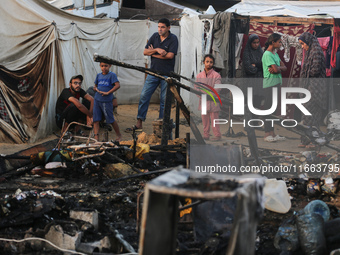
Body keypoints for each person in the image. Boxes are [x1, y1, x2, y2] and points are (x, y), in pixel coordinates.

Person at [126, 18, 178, 132]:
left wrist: (152, 53)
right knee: (144, 96)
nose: (160, 29)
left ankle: (161, 125)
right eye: (159, 27)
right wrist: (157, 49)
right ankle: (139, 123)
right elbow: (145, 52)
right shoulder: (154, 36)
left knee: (164, 100)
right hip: (153, 72)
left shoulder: (173, 39)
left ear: (169, 28)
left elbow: (170, 56)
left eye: (163, 27)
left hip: (166, 74)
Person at [298, 32, 327, 148]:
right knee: (306, 114)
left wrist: (304, 75)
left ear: (308, 41)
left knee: (312, 114)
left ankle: (314, 141)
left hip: (315, 88)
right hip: (309, 86)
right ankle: (306, 140)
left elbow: (315, 70)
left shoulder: (317, 52)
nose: (302, 47)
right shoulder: (311, 52)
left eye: (303, 44)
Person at [261, 33, 287, 142]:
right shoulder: (267, 55)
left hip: (276, 83)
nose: (281, 44)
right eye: (279, 42)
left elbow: (284, 67)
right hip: (269, 84)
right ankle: (267, 134)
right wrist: (277, 69)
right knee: (268, 109)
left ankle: (272, 133)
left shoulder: (275, 54)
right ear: (273, 42)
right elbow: (275, 70)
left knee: (273, 109)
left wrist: (278, 68)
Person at [93, 62, 122, 141]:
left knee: (110, 119)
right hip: (97, 100)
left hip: (106, 101)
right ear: (100, 66)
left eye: (106, 66)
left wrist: (108, 92)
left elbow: (117, 85)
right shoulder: (99, 75)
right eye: (102, 66)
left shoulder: (112, 75)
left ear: (110, 65)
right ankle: (96, 138)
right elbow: (95, 86)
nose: (104, 68)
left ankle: (119, 135)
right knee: (96, 120)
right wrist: (95, 89)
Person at [196, 54, 222, 141]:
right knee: (205, 119)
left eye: (211, 62)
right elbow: (196, 88)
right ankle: (206, 134)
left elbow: (217, 88)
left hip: (213, 101)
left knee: (214, 119)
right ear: (204, 62)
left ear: (213, 63)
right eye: (207, 62)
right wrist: (201, 95)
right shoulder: (199, 76)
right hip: (203, 100)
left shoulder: (216, 75)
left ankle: (217, 135)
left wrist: (208, 95)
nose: (209, 64)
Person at [241, 34, 264, 124]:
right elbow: (250, 69)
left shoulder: (261, 52)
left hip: (259, 83)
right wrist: (259, 67)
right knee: (249, 103)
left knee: (257, 102)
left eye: (258, 42)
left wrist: (257, 65)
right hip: (249, 83)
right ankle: (248, 124)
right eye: (254, 43)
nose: (256, 45)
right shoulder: (247, 53)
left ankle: (255, 122)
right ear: (250, 43)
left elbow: (264, 66)